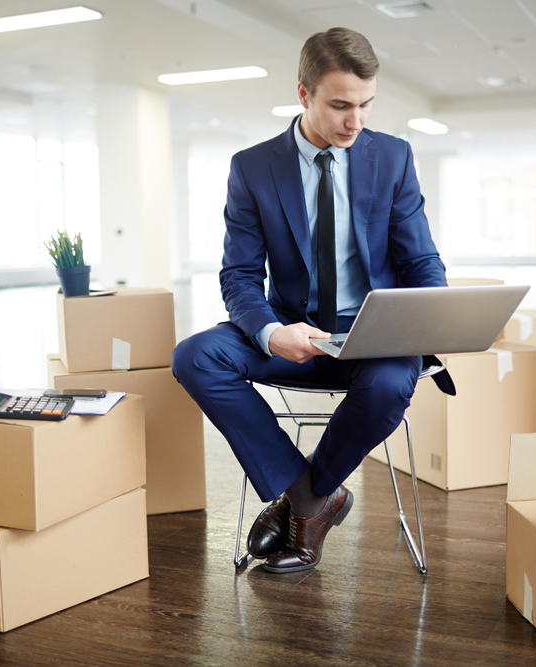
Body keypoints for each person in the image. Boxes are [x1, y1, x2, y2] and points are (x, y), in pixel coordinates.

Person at [172, 27, 447, 574]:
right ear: (303, 95)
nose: (356, 121)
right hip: (291, 332)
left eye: (366, 104)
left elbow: (420, 261)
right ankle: (314, 499)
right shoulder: (253, 167)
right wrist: (272, 332)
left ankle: (305, 499)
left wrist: (431, 317)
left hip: (369, 332)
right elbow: (240, 276)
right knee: (195, 356)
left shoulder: (391, 158)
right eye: (341, 105)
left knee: (394, 380)